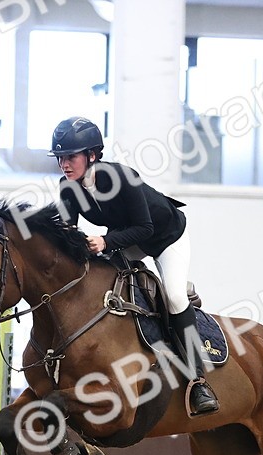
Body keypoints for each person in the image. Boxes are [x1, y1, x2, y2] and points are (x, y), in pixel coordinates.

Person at [50, 116, 218, 417]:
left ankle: (199, 380)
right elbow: (66, 231)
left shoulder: (122, 178)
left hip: (165, 236)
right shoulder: (68, 187)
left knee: (175, 297)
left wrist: (104, 241)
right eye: (60, 158)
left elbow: (145, 227)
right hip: (125, 237)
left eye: (70, 157)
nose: (64, 164)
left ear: (91, 155)